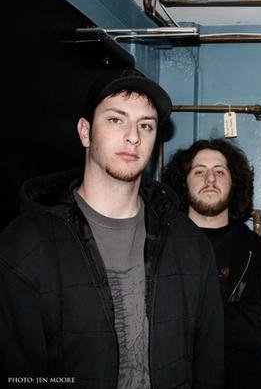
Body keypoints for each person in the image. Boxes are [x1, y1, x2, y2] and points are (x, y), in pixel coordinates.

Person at [0, 69, 224, 387]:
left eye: (146, 125)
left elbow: (209, 366)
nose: (133, 136)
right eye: (116, 119)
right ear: (85, 132)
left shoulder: (190, 243)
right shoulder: (25, 244)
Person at [161, 138, 261, 389]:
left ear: (234, 182)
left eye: (219, 171)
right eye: (199, 172)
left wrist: (187, 313)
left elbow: (259, 332)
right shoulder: (159, 247)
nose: (210, 179)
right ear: (183, 183)